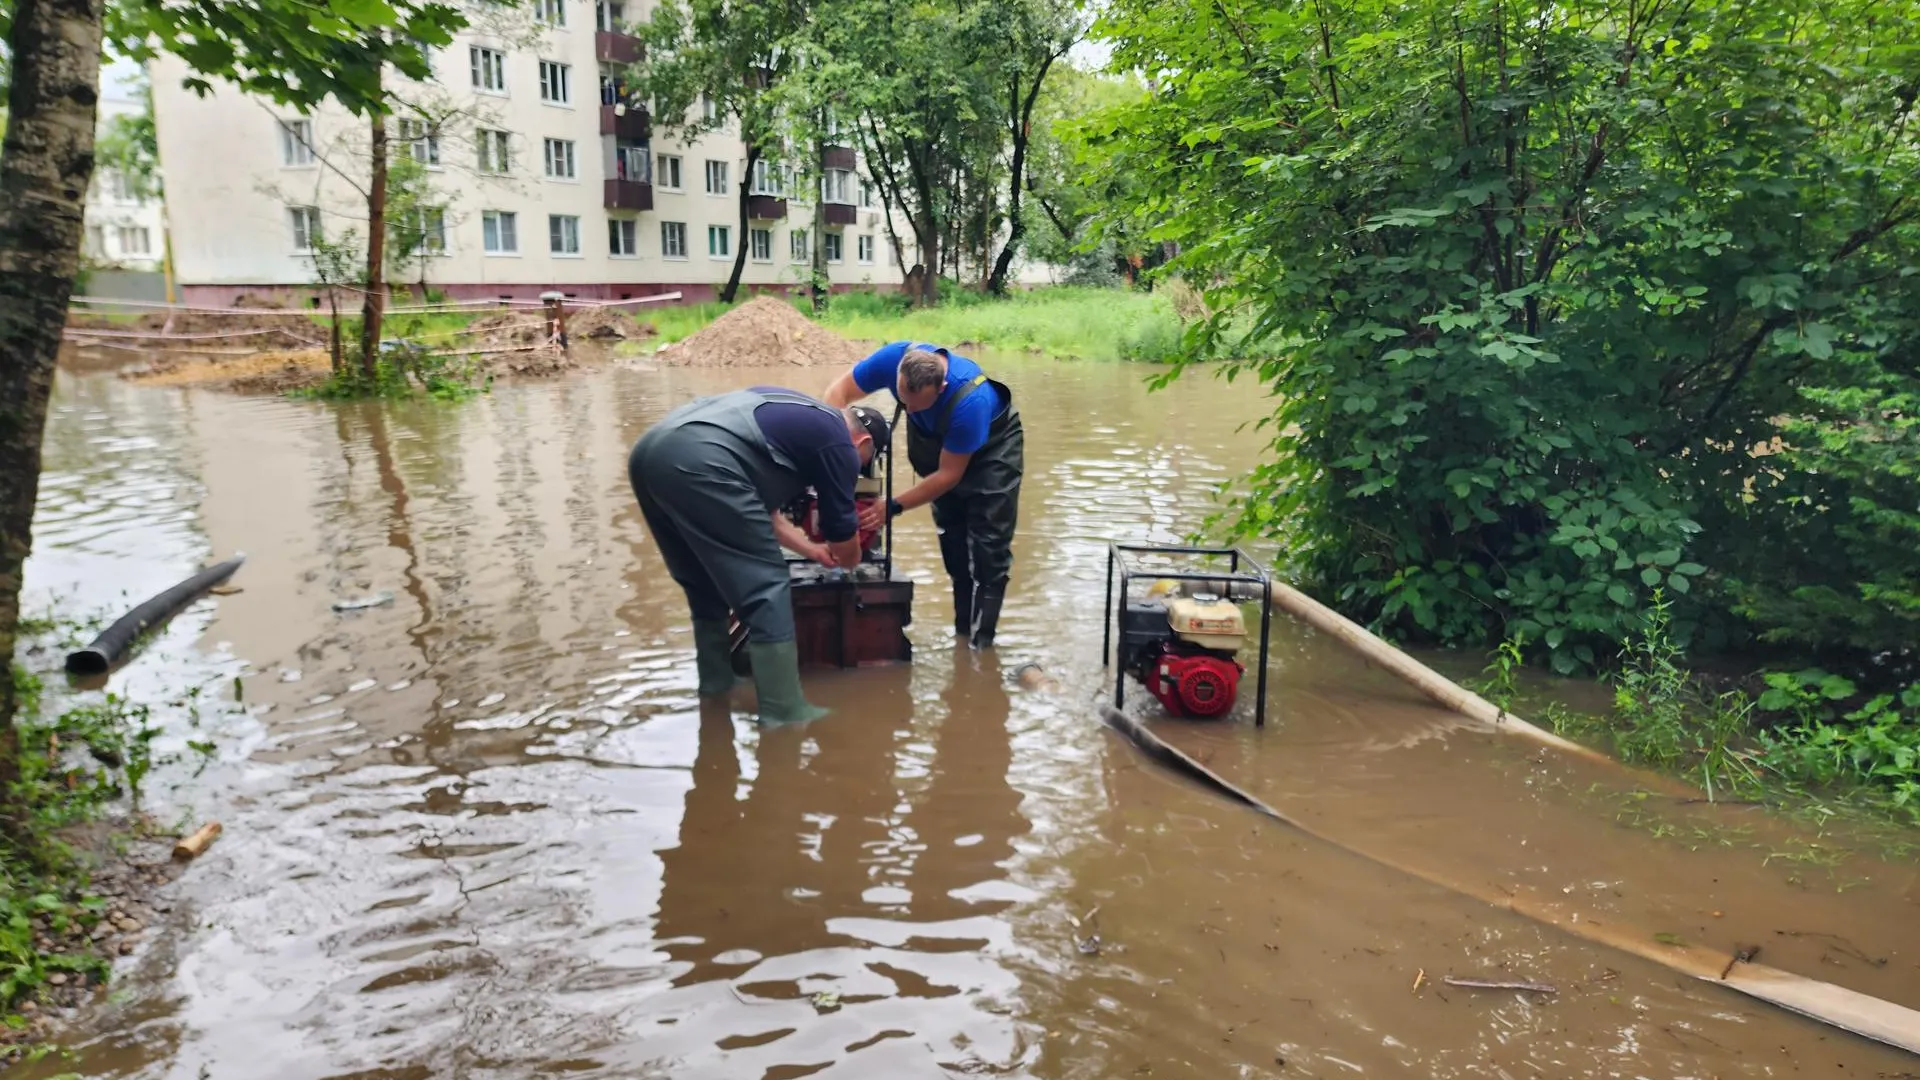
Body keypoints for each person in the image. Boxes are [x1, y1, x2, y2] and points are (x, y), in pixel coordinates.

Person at [628, 386, 891, 723]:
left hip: (652, 453)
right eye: (862, 466)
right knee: (768, 587)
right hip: (702, 462)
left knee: (703, 584)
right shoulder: (840, 444)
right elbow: (843, 538)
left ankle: (717, 684)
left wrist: (812, 551)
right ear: (864, 445)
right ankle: (784, 713)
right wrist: (850, 560)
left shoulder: (801, 417)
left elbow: (767, 515)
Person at [822, 341, 1023, 648]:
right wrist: (839, 451)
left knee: (989, 550)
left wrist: (892, 506)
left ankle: (982, 647)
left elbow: (948, 476)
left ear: (940, 388)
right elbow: (838, 393)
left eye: (916, 406)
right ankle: (962, 635)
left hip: (992, 454)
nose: (909, 411)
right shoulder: (893, 359)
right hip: (944, 449)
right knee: (953, 544)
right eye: (904, 402)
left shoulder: (971, 401)